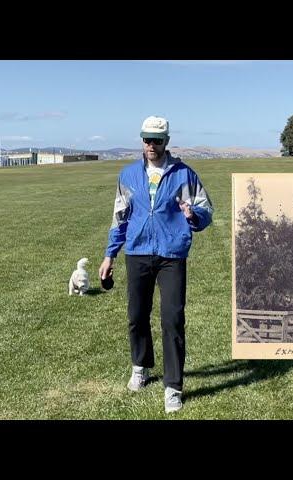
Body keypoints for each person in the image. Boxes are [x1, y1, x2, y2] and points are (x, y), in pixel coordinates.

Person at [99, 116, 214, 413]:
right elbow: (119, 218)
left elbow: (205, 209)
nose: (152, 145)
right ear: (141, 140)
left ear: (167, 141)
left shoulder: (184, 175)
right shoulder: (128, 176)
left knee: (172, 319)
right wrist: (110, 255)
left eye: (157, 140)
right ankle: (141, 366)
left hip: (172, 254)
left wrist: (192, 216)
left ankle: (173, 386)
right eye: (147, 139)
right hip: (137, 252)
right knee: (137, 315)